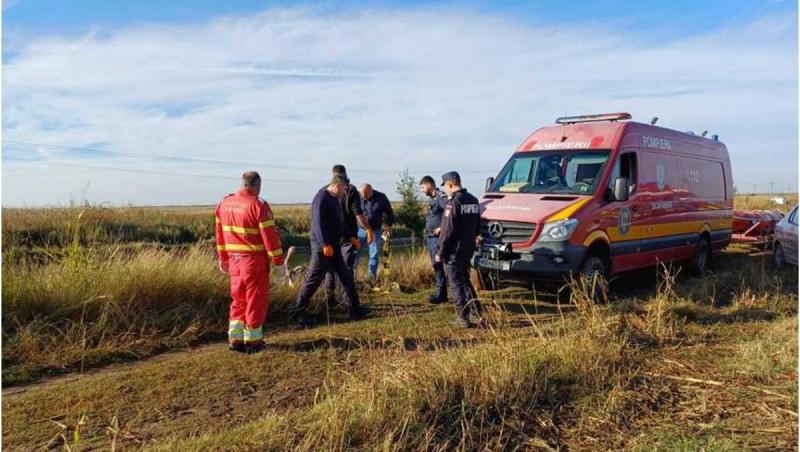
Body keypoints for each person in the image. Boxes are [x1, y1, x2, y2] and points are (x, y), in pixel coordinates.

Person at [215, 171, 284, 354]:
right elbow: (270, 237)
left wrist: (222, 257)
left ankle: (235, 338)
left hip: (234, 261)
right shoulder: (258, 205)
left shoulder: (224, 203)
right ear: (257, 185)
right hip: (254, 262)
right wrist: (278, 261)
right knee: (256, 299)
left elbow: (219, 234)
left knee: (238, 299)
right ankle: (254, 341)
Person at [289, 174, 369, 325]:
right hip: (322, 248)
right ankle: (297, 312)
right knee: (313, 279)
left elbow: (339, 222)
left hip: (335, 246)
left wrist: (351, 236)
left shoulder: (335, 200)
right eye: (344, 189)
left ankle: (354, 309)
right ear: (338, 186)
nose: (345, 193)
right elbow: (317, 224)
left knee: (346, 276)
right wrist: (324, 244)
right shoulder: (321, 198)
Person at [436, 171, 483, 328]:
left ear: (450, 184)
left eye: (446, 186)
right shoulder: (473, 200)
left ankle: (462, 317)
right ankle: (477, 314)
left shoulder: (453, 202)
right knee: (465, 281)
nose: (446, 190)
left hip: (453, 250)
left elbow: (447, 231)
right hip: (467, 248)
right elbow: (477, 226)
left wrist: (440, 251)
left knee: (456, 283)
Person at [324, 165, 373, 308]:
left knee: (331, 270)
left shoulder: (325, 190)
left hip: (330, 237)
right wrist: (368, 229)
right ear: (345, 174)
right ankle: (348, 303)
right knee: (346, 269)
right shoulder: (351, 190)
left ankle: (330, 301)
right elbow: (359, 214)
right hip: (347, 237)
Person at [355, 183, 395, 281]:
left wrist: (388, 226)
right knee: (354, 253)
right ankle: (352, 277)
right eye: (362, 195)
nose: (363, 197)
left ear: (371, 191)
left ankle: (371, 278)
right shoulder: (358, 197)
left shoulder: (381, 197)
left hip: (375, 230)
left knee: (374, 254)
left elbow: (389, 213)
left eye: (365, 194)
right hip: (360, 230)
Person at [420, 175, 448, 304]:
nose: (422, 190)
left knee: (442, 265)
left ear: (429, 185)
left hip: (438, 238)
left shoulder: (441, 197)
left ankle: (443, 294)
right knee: (436, 266)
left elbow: (450, 214)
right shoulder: (432, 199)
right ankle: (441, 293)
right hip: (431, 237)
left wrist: (442, 228)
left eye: (423, 187)